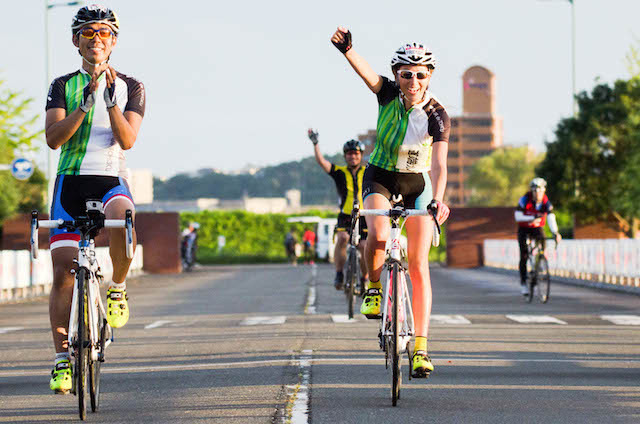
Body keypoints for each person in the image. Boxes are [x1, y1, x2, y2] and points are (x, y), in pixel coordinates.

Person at [331, 27, 450, 378]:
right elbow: (365, 72)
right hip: (380, 176)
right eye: (406, 74)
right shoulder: (386, 94)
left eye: (420, 75)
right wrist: (348, 50)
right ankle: (373, 285)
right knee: (379, 235)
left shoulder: (437, 114)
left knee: (418, 265)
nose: (413, 81)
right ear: (397, 75)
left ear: (429, 77)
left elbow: (441, 163)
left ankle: (421, 348)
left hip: (417, 182)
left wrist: (439, 200)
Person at [45, 4, 145, 393]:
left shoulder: (131, 86)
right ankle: (60, 361)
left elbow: (128, 139)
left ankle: (117, 286)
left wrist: (106, 100)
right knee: (63, 273)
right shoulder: (61, 85)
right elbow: (54, 140)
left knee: (125, 217)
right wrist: (84, 104)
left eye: (104, 33)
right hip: (70, 182)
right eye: (88, 33)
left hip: (109, 180)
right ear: (76, 41)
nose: (96, 39)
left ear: (114, 41)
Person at [308, 129, 368, 289]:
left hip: (365, 215)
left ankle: (365, 278)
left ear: (361, 155)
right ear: (345, 156)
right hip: (345, 214)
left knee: (364, 246)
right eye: (349, 154)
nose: (352, 156)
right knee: (342, 238)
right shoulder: (339, 172)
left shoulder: (368, 171)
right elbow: (322, 162)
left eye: (356, 153)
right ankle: (339, 273)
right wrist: (315, 143)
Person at [515, 177, 562, 295]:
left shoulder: (546, 202)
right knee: (524, 255)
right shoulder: (524, 200)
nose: (538, 193)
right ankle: (524, 283)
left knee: (543, 238)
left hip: (536, 228)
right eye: (535, 191)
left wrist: (555, 232)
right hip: (524, 228)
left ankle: (541, 260)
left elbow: (551, 217)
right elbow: (518, 216)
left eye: (540, 191)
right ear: (532, 191)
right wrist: (532, 218)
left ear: (544, 191)